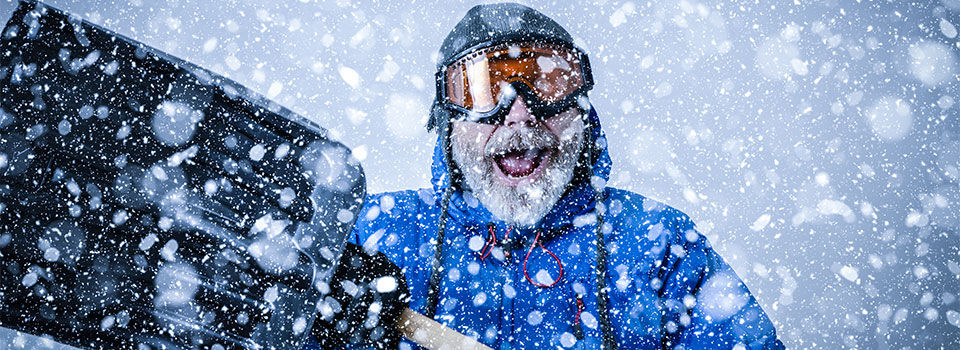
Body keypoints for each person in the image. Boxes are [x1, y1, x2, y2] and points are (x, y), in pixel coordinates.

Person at [310, 3, 784, 349]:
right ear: (448, 124)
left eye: (548, 84)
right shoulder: (370, 237)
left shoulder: (657, 246)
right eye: (483, 90)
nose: (518, 114)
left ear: (582, 113)